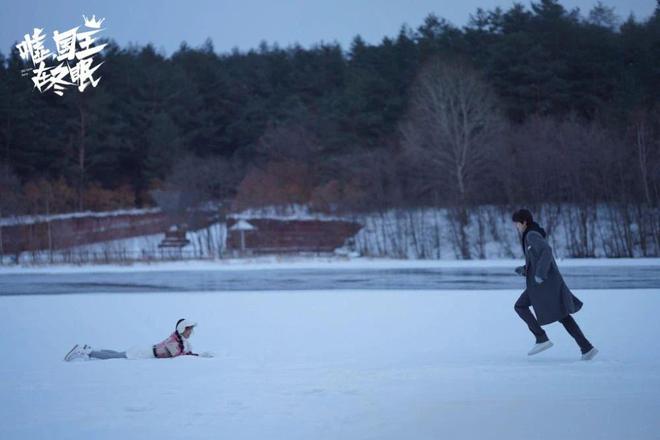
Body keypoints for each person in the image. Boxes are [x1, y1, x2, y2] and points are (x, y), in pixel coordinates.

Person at [512, 209, 598, 360]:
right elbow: (538, 258)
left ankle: (541, 338)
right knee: (563, 315)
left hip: (543, 283)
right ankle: (586, 347)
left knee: (520, 306)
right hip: (545, 283)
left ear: (524, 222)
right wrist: (525, 270)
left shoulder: (531, 235)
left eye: (517, 224)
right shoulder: (531, 234)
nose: (516, 227)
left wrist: (539, 274)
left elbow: (546, 251)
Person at [64, 318, 212, 361]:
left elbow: (185, 351)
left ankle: (92, 350)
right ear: (182, 330)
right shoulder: (175, 342)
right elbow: (178, 356)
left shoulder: (179, 340)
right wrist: (196, 356)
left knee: (118, 353)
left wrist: (198, 355)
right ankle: (86, 353)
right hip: (143, 353)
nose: (191, 332)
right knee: (116, 357)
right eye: (189, 329)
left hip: (145, 349)